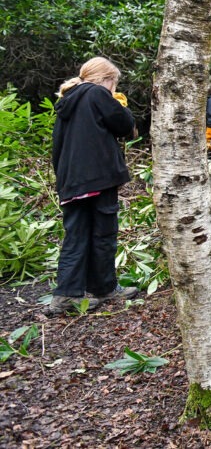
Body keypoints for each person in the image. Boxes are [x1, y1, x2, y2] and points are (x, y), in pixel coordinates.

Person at [46, 57, 140, 316]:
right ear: (107, 80)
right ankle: (103, 287)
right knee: (103, 233)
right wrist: (121, 106)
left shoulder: (68, 100)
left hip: (72, 180)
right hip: (98, 178)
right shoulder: (97, 93)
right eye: (114, 82)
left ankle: (66, 295)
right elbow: (124, 126)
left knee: (76, 235)